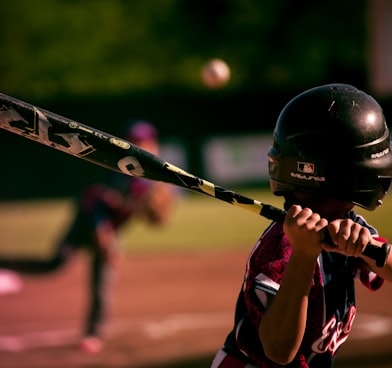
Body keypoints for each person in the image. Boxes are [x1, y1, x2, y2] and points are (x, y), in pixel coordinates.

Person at [211, 83, 392, 368]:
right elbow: (279, 351)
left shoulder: (349, 224)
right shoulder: (279, 249)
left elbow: (388, 264)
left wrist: (364, 249)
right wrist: (304, 256)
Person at [0, 120, 177, 354]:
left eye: (147, 141)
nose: (144, 145)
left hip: (110, 229)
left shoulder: (153, 177)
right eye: (137, 141)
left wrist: (154, 214)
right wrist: (103, 234)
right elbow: (96, 200)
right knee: (55, 263)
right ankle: (4, 263)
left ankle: (93, 333)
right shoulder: (118, 169)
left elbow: (153, 215)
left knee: (101, 280)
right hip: (86, 222)